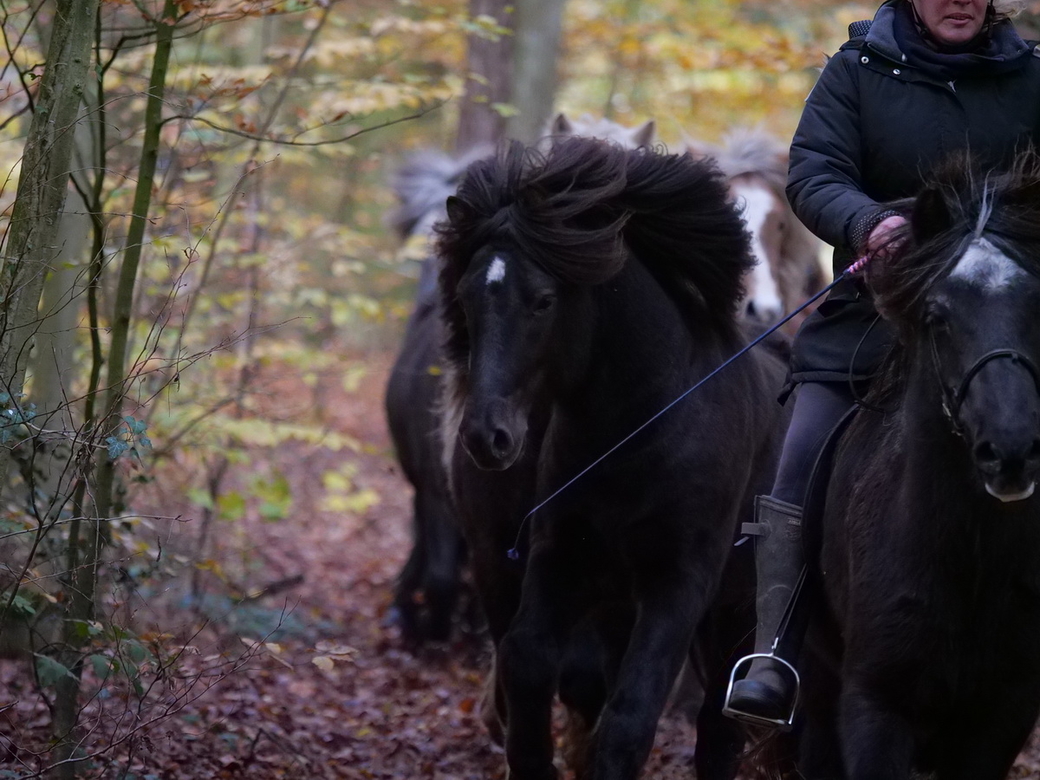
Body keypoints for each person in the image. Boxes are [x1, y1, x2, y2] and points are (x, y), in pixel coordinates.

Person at [723, 0, 1040, 727]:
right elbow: (813, 172)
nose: (958, 0)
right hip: (874, 318)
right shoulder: (855, 73)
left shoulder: (1031, 77)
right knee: (799, 457)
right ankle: (776, 652)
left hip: (1008, 318)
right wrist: (867, 220)